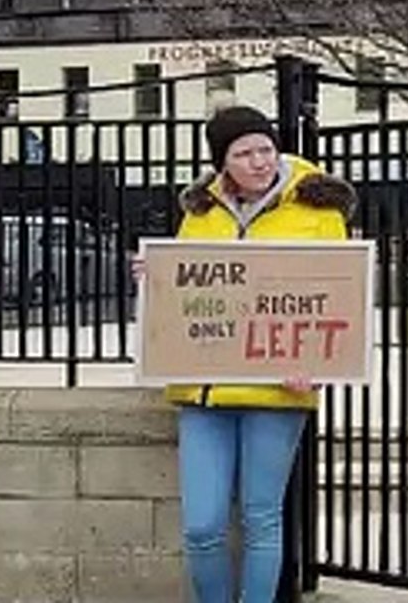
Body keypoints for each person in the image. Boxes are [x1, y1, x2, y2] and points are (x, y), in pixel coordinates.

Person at [161, 106, 355, 603]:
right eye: (244, 153)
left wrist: (319, 365)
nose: (260, 161)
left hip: (278, 388)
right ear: (222, 162)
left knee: (261, 517)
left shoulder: (318, 209)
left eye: (266, 148)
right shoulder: (200, 211)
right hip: (203, 389)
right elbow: (186, 288)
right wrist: (156, 275)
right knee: (202, 526)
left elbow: (338, 294)